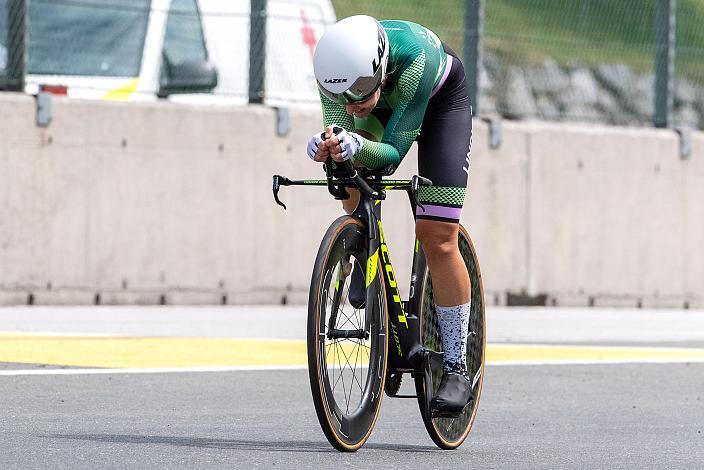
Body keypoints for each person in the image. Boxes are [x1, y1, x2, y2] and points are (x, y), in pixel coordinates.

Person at [306, 15, 473, 417]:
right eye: (341, 94)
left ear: (379, 65)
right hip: (387, 104)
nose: (351, 102)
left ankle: (456, 365)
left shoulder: (415, 61)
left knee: (437, 235)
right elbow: (342, 125)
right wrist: (329, 143)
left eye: (360, 89)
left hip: (438, 105)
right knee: (346, 168)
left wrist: (355, 141)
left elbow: (393, 156)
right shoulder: (338, 72)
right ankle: (365, 251)